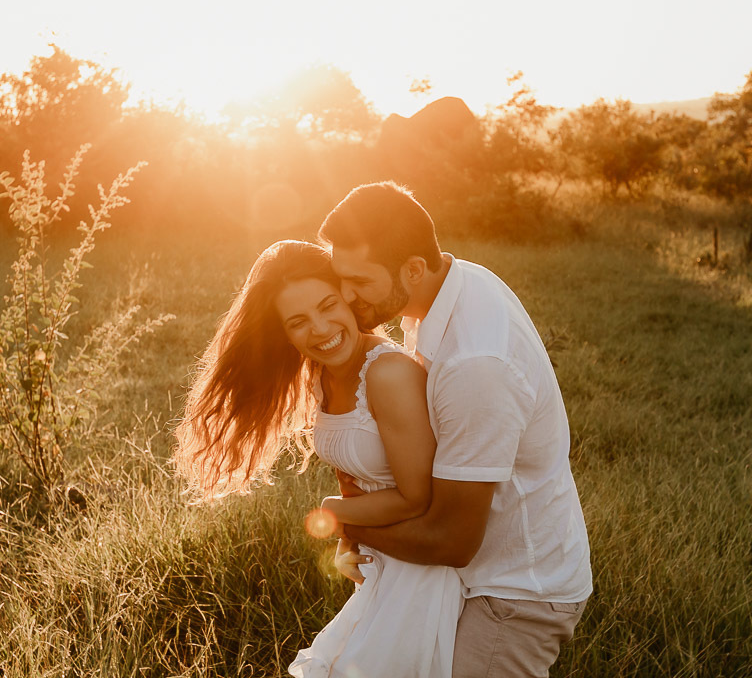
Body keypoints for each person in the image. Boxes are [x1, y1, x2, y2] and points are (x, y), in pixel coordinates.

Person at [318, 181, 593, 677]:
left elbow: (452, 540)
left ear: (413, 269)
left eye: (360, 281)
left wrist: (346, 522)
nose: (345, 295)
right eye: (341, 278)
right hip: (469, 576)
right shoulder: (451, 283)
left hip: (514, 593)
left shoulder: (475, 364)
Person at [174, 240, 463, 678]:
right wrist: (352, 537)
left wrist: (336, 513)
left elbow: (418, 497)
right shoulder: (322, 373)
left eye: (328, 305)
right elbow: (350, 466)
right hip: (386, 559)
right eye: (298, 322)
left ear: (348, 297)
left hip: (423, 571)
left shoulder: (388, 374)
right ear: (284, 334)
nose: (321, 328)